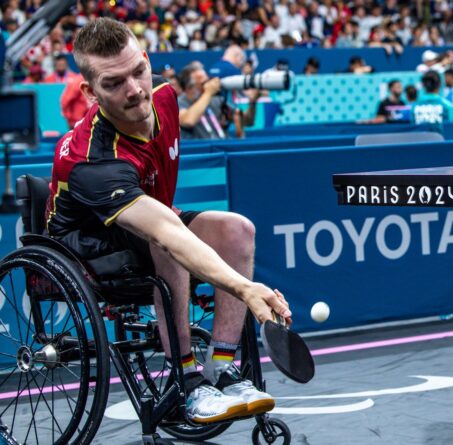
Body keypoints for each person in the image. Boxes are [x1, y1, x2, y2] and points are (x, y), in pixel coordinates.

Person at [46, 18, 290, 424]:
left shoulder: (164, 93)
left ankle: (223, 368)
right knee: (169, 244)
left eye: (138, 71)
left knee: (237, 229)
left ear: (147, 59)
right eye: (114, 83)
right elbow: (165, 232)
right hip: (89, 247)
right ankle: (188, 383)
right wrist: (246, 288)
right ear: (90, 92)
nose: (135, 90)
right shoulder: (92, 158)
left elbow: (164, 220)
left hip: (147, 218)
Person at [176, 62, 258, 139]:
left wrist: (252, 102)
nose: (208, 85)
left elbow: (248, 121)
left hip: (223, 148)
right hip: (201, 151)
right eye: (203, 83)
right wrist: (208, 93)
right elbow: (188, 121)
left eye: (208, 80)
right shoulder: (179, 102)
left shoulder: (216, 100)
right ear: (189, 87)